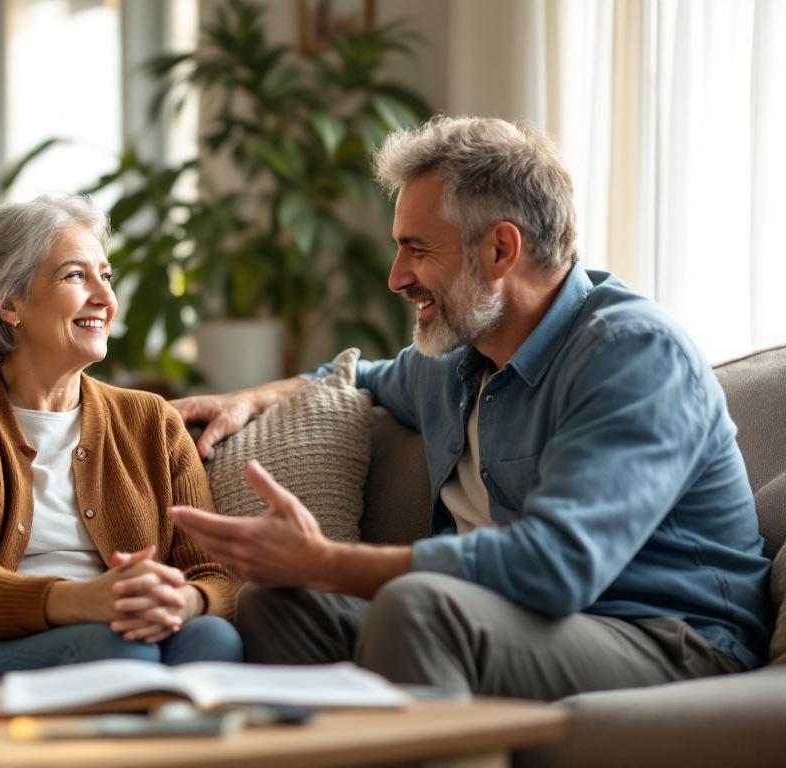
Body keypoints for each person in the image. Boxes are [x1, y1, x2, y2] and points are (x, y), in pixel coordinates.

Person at [167, 116, 773, 701]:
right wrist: (247, 398)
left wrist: (329, 562)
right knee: (277, 605)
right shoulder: (452, 360)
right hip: (515, 623)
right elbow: (353, 377)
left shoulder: (633, 354)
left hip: (670, 637)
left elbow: (558, 566)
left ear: (500, 250)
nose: (396, 277)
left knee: (420, 607)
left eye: (416, 249)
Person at [0, 193, 242, 674]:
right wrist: (85, 601)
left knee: (211, 636)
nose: (106, 298)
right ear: (8, 302)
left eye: (106, 277)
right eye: (76, 275)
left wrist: (184, 601)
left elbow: (216, 574)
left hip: (124, 630)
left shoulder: (152, 421)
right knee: (121, 650)